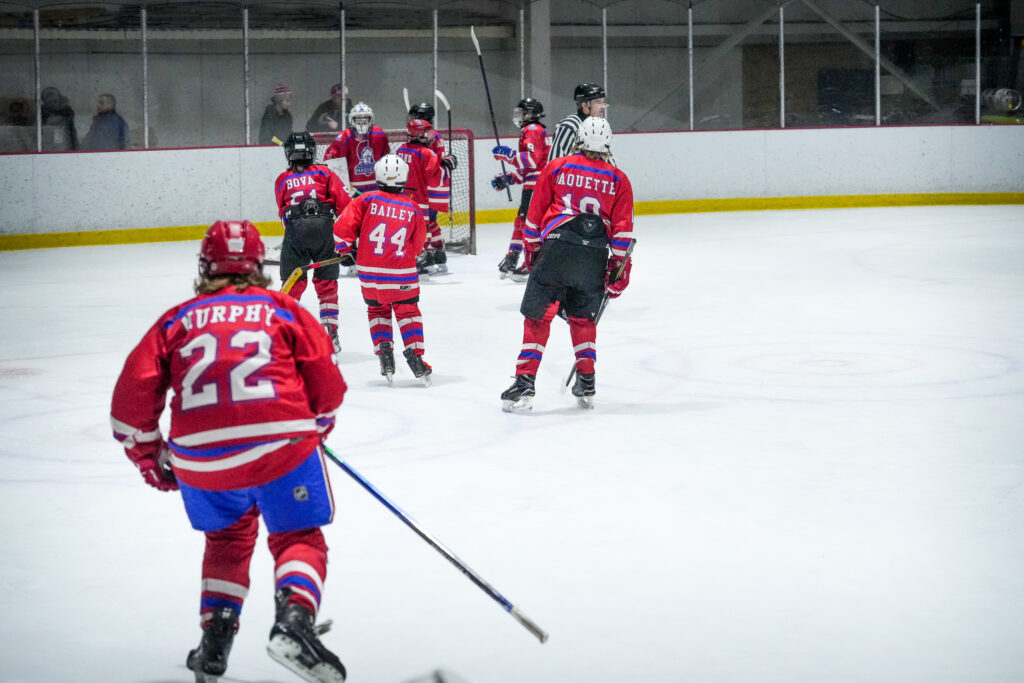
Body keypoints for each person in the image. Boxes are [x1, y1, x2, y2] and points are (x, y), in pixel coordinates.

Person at [110, 220, 348, 682]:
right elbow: (328, 386)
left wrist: (151, 459)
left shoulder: (176, 319)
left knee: (226, 540)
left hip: (201, 458)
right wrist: (316, 427)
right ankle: (294, 622)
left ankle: (214, 644)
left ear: (205, 265)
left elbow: (129, 406)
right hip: (282, 445)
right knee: (298, 536)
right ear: (260, 264)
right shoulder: (281, 308)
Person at [500, 117, 634, 413]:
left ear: (580, 140)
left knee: (538, 318)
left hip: (558, 248)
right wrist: (619, 271)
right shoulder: (618, 179)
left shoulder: (558, 166)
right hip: (594, 255)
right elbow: (623, 232)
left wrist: (533, 251)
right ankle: (586, 381)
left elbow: (534, 216)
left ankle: (524, 385)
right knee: (583, 319)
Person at [333, 154, 432, 386]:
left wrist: (346, 251)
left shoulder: (365, 200)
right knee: (408, 312)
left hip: (369, 272)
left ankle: (385, 356)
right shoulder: (412, 206)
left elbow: (341, 229)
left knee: (378, 311)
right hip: (401, 272)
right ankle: (416, 358)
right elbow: (418, 246)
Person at [274, 131, 351, 352]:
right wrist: (346, 240)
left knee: (292, 285)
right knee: (327, 286)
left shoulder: (282, 179)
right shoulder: (325, 173)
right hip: (324, 229)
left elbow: (283, 213)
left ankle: (285, 336)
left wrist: (296, 237)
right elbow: (345, 205)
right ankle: (331, 333)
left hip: (295, 230)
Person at [491, 97, 550, 281]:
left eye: (523, 112)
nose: (520, 116)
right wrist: (508, 179)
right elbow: (529, 169)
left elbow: (531, 160)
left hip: (537, 187)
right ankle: (513, 256)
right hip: (535, 184)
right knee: (521, 221)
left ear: (532, 114)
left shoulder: (532, 130)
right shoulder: (532, 130)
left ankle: (532, 262)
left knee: (529, 224)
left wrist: (509, 156)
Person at [395, 118, 454, 276]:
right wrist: (447, 167)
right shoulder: (428, 154)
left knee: (405, 229)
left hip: (402, 199)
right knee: (423, 231)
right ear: (418, 135)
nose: (431, 137)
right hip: (420, 200)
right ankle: (423, 263)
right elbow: (435, 180)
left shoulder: (400, 150)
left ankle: (408, 260)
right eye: (427, 133)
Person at [406, 101, 458, 273]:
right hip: (429, 185)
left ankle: (427, 254)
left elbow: (435, 163)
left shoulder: (432, 137)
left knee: (425, 224)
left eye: (416, 116)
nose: (414, 119)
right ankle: (438, 252)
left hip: (428, 186)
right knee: (431, 222)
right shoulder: (427, 135)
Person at [322, 102, 390, 195]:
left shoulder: (379, 134)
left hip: (378, 188)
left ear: (371, 119)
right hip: (354, 189)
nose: (362, 122)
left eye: (365, 118)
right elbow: (331, 162)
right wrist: (346, 187)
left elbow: (386, 159)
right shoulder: (345, 136)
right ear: (352, 119)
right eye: (358, 118)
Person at [549, 82, 608, 163]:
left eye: (603, 102)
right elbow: (553, 164)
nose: (603, 107)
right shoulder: (570, 126)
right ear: (584, 106)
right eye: (597, 102)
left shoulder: (600, 128)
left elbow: (607, 162)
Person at [40, 86, 77, 150]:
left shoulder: (67, 113)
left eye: (55, 100)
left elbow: (72, 135)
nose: (53, 103)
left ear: (59, 100)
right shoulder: (40, 114)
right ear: (44, 102)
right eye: (49, 101)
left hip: (64, 148)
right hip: (45, 148)